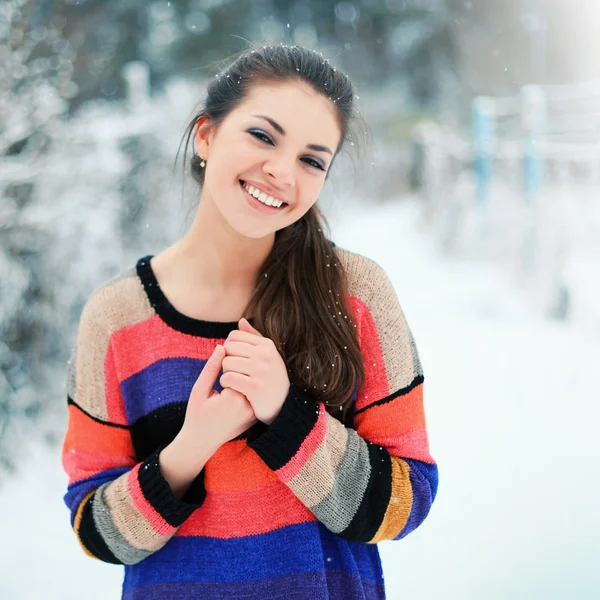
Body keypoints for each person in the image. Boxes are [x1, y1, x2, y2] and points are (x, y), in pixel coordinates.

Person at [61, 42, 439, 600]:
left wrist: (288, 418)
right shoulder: (116, 320)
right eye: (263, 136)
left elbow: (407, 502)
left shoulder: (357, 295)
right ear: (206, 136)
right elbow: (98, 534)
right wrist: (192, 445)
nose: (282, 172)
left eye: (313, 160)